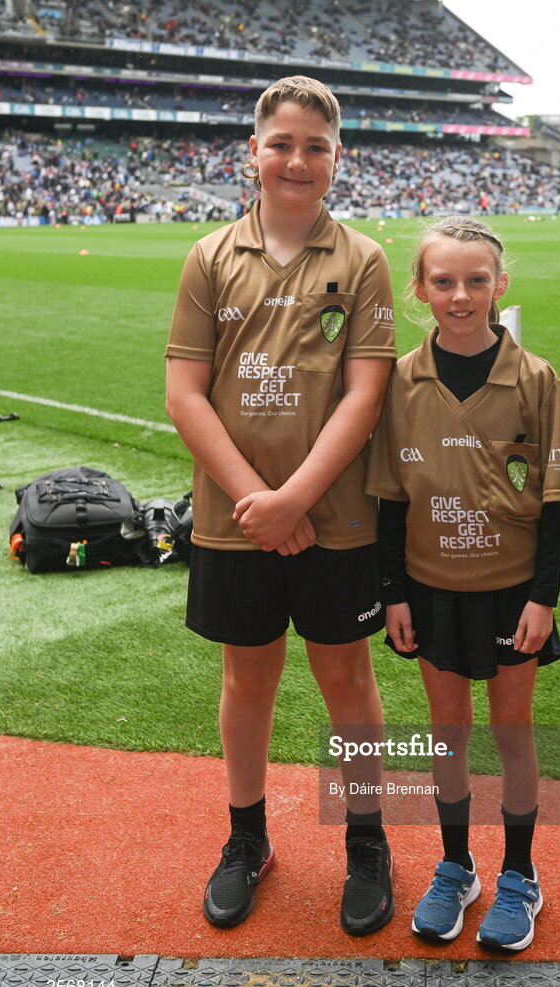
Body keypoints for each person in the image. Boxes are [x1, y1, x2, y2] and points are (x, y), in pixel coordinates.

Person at [165, 76, 397, 936]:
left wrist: (294, 497)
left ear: (338, 159)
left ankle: (367, 843)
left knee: (345, 676)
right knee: (245, 676)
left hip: (335, 519)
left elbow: (364, 396)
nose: (296, 160)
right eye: (281, 144)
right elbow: (185, 394)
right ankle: (247, 840)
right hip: (234, 519)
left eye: (315, 146)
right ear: (252, 153)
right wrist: (256, 500)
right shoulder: (209, 256)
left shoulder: (362, 259)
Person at [366, 216, 560, 952]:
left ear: (500, 284)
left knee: (511, 733)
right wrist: (393, 592)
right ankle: (456, 866)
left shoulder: (535, 377)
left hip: (511, 591)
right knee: (447, 732)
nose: (460, 295)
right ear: (419, 288)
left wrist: (542, 598)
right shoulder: (397, 380)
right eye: (443, 281)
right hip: (429, 589)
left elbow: (553, 498)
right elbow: (390, 497)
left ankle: (519, 874)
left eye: (475, 280)